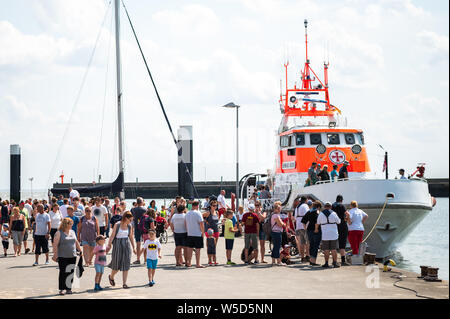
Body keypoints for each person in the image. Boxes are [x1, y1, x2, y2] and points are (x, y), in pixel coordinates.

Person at [52, 218, 83, 295]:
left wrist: (80, 250)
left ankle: (68, 288)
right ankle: (62, 288)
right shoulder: (59, 233)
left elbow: (76, 242)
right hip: (62, 256)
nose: (72, 225)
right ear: (66, 224)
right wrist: (55, 255)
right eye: (70, 224)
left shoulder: (72, 232)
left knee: (70, 272)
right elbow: (55, 245)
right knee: (63, 272)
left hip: (72, 255)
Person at [107, 211, 137, 289]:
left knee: (126, 265)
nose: (131, 222)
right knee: (116, 265)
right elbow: (112, 235)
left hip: (126, 245)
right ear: (126, 218)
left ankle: (124, 283)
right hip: (117, 245)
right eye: (130, 220)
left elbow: (131, 237)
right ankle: (111, 276)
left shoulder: (130, 226)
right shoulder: (117, 225)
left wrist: (134, 247)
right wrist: (109, 244)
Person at [316, 202, 341, 268]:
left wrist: (316, 229)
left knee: (326, 249)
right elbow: (339, 222)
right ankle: (335, 263)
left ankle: (326, 263)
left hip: (325, 234)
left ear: (324, 207)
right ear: (331, 207)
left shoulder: (321, 214)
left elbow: (318, 223)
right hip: (333, 234)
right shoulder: (334, 213)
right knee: (334, 249)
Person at [185, 201, 205, 268]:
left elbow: (186, 223)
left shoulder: (187, 213)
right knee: (198, 249)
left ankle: (189, 262)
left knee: (189, 248)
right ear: (197, 206)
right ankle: (198, 263)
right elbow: (201, 224)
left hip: (190, 233)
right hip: (197, 233)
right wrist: (203, 232)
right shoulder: (198, 213)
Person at [302, 201, 322, 266]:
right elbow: (317, 222)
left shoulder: (309, 211)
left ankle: (311, 260)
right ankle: (313, 261)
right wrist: (316, 229)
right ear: (318, 207)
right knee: (315, 246)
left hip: (309, 230)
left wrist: (305, 229)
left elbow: (303, 221)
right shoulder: (317, 212)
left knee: (311, 245)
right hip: (315, 231)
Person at [332, 195, 350, 266]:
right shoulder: (341, 205)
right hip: (342, 225)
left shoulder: (333, 206)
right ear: (341, 200)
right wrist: (347, 219)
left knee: (334, 243)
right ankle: (343, 261)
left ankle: (334, 260)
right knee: (342, 243)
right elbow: (347, 214)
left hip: (335, 225)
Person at [293, 196, 310, 262]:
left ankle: (302, 257)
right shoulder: (305, 206)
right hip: (304, 225)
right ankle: (307, 255)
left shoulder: (297, 207)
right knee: (307, 242)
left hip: (298, 225)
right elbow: (308, 214)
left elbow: (294, 218)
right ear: (305, 200)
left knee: (301, 242)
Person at [131, 197, 146, 265]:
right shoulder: (145, 209)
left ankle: (138, 259)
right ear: (142, 202)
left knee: (138, 243)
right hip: (144, 227)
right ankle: (145, 259)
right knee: (146, 243)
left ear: (137, 202)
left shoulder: (133, 209)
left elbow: (132, 218)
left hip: (137, 227)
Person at [270, 201, 285, 266]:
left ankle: (273, 261)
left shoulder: (273, 215)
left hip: (274, 232)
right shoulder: (276, 215)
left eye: (280, 208)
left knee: (275, 246)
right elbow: (280, 224)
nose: (279, 209)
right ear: (275, 209)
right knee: (277, 247)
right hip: (277, 232)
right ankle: (278, 261)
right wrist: (283, 223)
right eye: (278, 208)